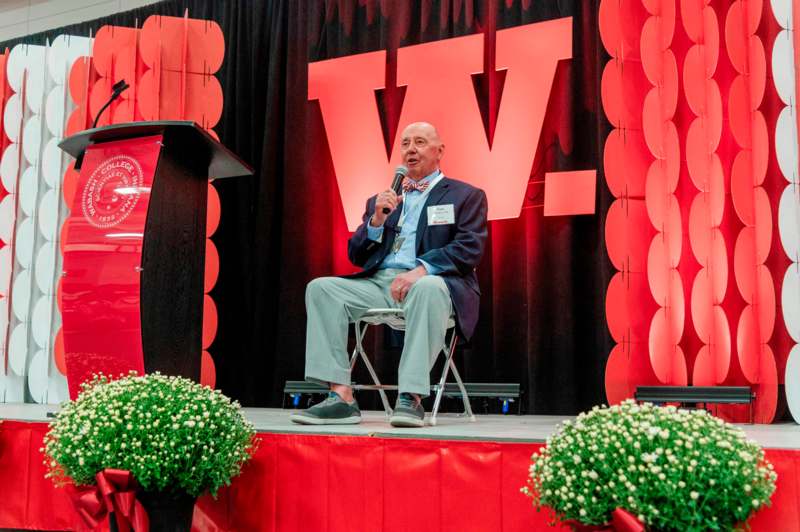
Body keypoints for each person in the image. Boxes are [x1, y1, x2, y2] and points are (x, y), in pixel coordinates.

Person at [291, 122, 488, 427]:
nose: (411, 149)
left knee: (428, 287)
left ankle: (411, 396)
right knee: (321, 288)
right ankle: (340, 397)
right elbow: (357, 255)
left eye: (420, 142)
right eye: (406, 143)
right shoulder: (382, 201)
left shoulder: (465, 195)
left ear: (439, 151)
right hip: (380, 283)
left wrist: (421, 270)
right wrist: (376, 221)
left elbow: (469, 248)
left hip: (433, 283)